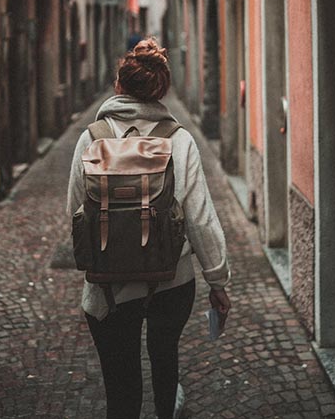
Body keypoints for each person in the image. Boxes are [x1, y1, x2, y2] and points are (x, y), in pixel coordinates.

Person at [67, 37, 231, 418]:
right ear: (162, 89)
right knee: (164, 356)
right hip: (172, 281)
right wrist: (218, 281)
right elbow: (201, 218)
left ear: (118, 86)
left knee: (120, 383)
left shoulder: (91, 139)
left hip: (108, 286)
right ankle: (164, 408)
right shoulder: (180, 140)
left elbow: (75, 212)